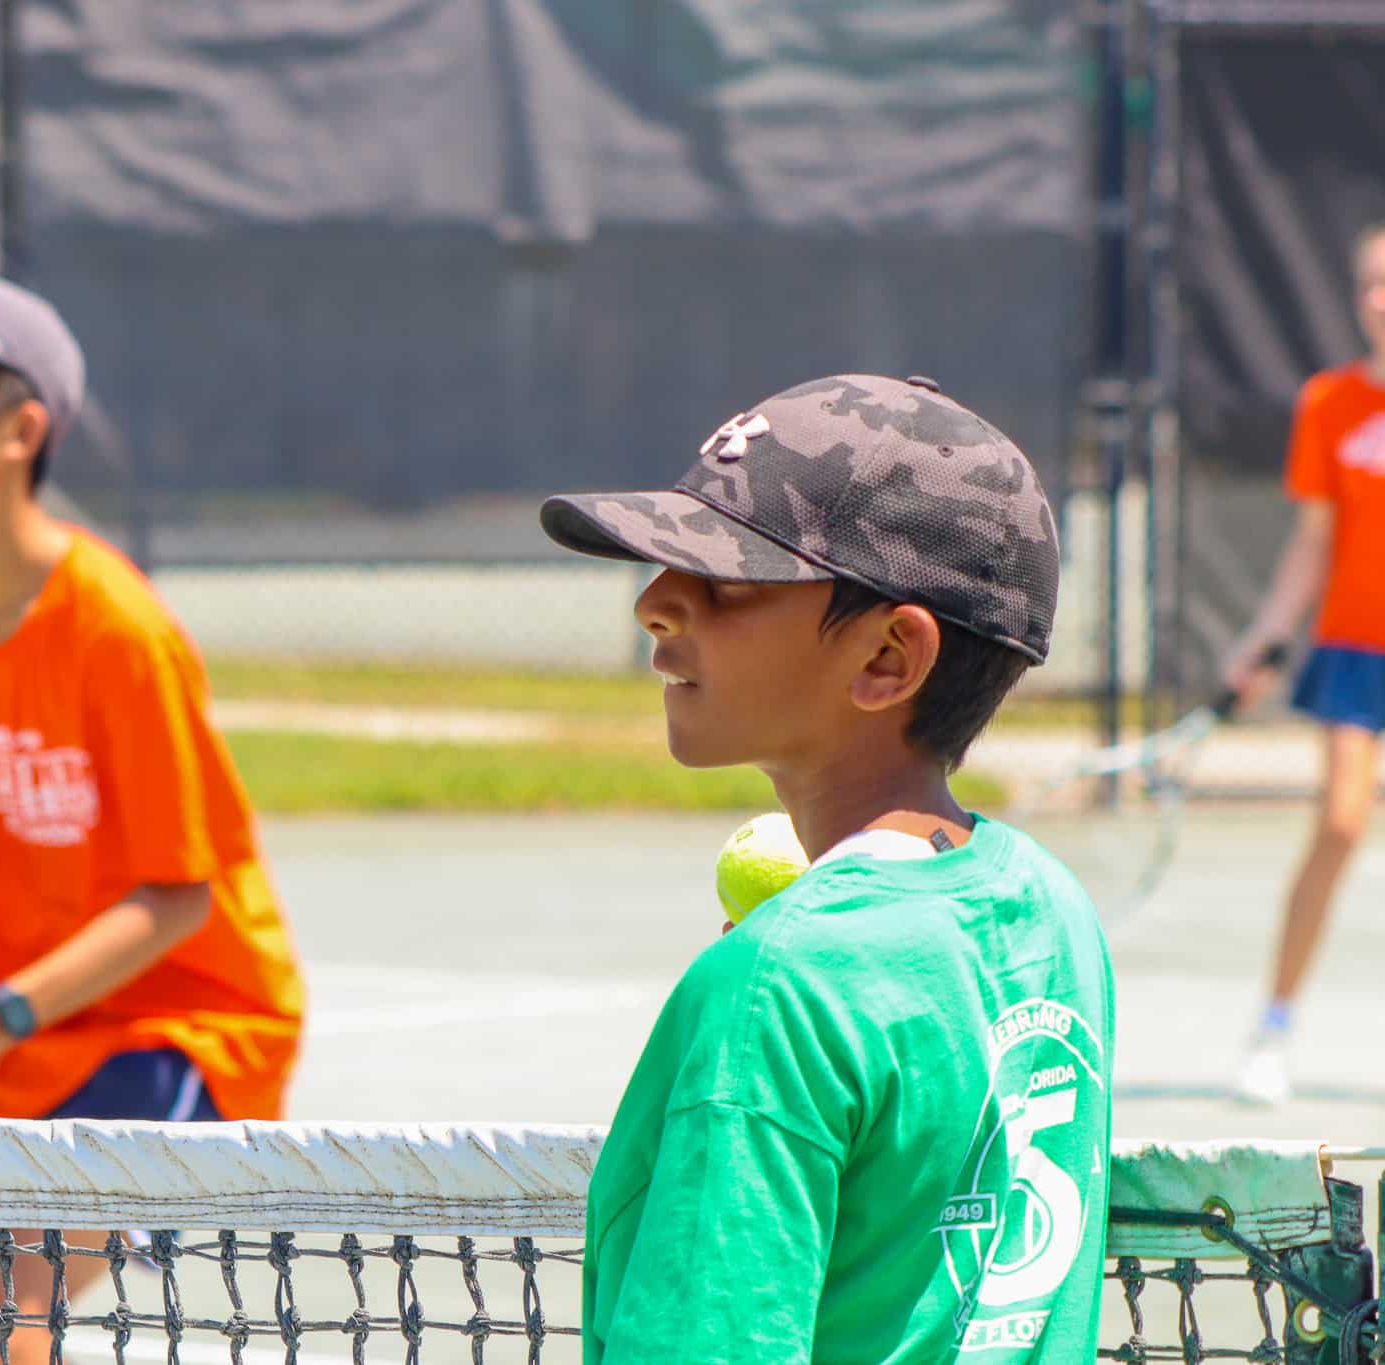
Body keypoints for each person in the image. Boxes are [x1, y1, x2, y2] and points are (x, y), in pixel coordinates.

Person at [539, 374, 1115, 1360]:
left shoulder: (770, 988)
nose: (655, 603)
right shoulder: (1049, 909)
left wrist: (776, 975)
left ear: (888, 657)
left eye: (728, 578)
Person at [0, 268, 306, 1365]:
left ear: (21, 431)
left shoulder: (115, 630)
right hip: (33, 1036)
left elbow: (179, 896)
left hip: (185, 1030)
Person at [1226, 221, 1385, 1107]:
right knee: (1341, 823)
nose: (1381, 298)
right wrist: (1264, 640)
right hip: (1355, 652)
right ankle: (1273, 1026)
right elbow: (1313, 543)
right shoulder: (1329, 403)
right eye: (1370, 282)